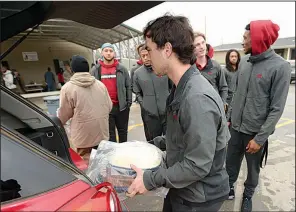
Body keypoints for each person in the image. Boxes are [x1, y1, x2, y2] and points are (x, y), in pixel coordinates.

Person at [126, 14, 230, 212]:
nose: (146, 55)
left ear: (166, 49)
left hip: (198, 197)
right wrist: (146, 147)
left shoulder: (196, 97)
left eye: (149, 49)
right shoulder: (180, 87)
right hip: (182, 189)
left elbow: (197, 165)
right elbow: (182, 137)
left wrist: (149, 180)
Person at [226, 21, 291, 212]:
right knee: (230, 163)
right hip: (235, 128)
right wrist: (229, 118)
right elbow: (236, 92)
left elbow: (276, 108)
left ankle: (247, 196)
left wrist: (260, 138)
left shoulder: (280, 67)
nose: (242, 41)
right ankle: (228, 188)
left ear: (258, 39)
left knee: (252, 170)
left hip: (255, 134)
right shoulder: (244, 62)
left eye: (246, 38)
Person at [58, 55, 112, 164]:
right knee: (101, 163)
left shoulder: (68, 88)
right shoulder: (100, 85)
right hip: (101, 132)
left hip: (83, 137)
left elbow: (63, 115)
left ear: (72, 69)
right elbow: (109, 106)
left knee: (86, 164)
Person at [90, 43, 132, 143]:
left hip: (121, 107)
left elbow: (128, 86)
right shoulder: (96, 70)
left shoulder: (122, 69)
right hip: (105, 108)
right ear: (102, 52)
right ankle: (113, 156)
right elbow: (91, 88)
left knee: (123, 133)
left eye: (111, 51)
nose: (108, 53)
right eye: (106, 51)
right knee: (110, 135)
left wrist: (128, 102)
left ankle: (123, 155)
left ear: (114, 53)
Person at [133, 44, 170, 141]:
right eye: (143, 56)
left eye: (148, 55)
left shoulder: (163, 69)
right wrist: (144, 105)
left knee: (170, 141)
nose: (146, 58)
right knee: (152, 142)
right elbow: (137, 92)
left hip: (167, 113)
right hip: (149, 116)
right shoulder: (137, 73)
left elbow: (172, 87)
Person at [194, 32, 228, 112]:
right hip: (196, 110)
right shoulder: (189, 68)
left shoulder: (216, 66)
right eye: (197, 44)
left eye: (203, 43)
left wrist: (222, 103)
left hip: (214, 109)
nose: (201, 47)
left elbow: (223, 87)